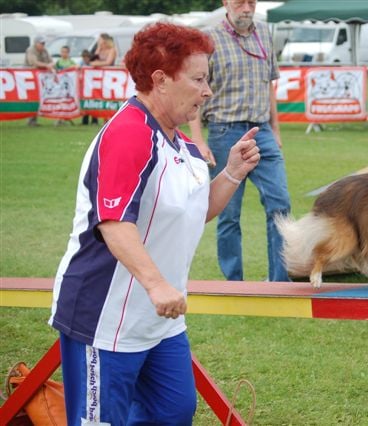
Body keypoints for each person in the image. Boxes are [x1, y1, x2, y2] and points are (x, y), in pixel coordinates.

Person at [48, 22, 260, 425]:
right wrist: (157, 283)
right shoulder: (130, 134)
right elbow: (113, 223)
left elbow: (196, 211)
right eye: (198, 79)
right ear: (160, 80)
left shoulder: (179, 141)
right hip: (104, 319)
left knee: (173, 412)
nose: (207, 90)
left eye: (207, 79)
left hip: (159, 320)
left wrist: (232, 172)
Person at [189, 0, 291, 282]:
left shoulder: (265, 34)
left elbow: (269, 86)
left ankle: (280, 280)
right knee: (227, 212)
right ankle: (234, 282)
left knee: (280, 204)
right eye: (239, 2)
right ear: (226, 3)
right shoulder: (209, 39)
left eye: (251, 2)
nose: (246, 8)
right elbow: (196, 88)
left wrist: (276, 131)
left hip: (262, 133)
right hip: (224, 131)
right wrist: (197, 139)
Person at [24, 35, 55, 127]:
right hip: (30, 78)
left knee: (39, 97)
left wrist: (50, 65)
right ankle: (30, 119)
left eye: (44, 43)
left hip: (41, 79)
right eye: (41, 43)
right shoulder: (31, 50)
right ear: (36, 43)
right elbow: (33, 62)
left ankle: (34, 119)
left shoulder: (45, 51)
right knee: (32, 98)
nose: (43, 45)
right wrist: (47, 65)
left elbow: (51, 61)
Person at [79, 49, 99, 125]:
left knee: (94, 102)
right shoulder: (81, 64)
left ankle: (94, 120)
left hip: (93, 86)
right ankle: (85, 121)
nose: (85, 59)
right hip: (85, 88)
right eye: (84, 58)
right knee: (85, 103)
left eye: (87, 58)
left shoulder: (92, 64)